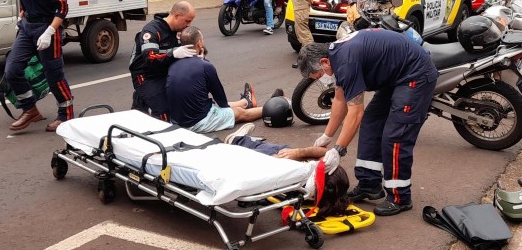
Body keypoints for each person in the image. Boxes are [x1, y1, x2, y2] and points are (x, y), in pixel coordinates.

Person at [297, 29, 438, 216]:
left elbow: (355, 113)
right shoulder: (337, 56)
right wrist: (326, 136)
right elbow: (340, 99)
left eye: (317, 76)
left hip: (415, 74)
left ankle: (400, 197)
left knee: (396, 135)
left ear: (324, 62)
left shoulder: (345, 61)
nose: (321, 81)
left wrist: (338, 150)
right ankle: (369, 184)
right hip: (395, 76)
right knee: (371, 123)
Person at [6, 0, 74, 132]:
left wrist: (50, 31)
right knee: (12, 70)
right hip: (27, 28)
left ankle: (66, 114)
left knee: (54, 75)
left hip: (46, 30)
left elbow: (62, 7)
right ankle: (30, 109)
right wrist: (21, 16)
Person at [224, 122, 352, 218]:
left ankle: (236, 140)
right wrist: (298, 153)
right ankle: (239, 141)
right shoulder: (329, 183)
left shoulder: (305, 189)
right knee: (283, 150)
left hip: (272, 168)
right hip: (285, 163)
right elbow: (324, 152)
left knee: (271, 152)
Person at [166, 26, 263, 133]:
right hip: (197, 122)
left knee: (212, 105)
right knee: (239, 113)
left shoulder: (172, 64)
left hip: (177, 121)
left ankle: (246, 102)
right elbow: (221, 101)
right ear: (199, 43)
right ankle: (270, 107)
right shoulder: (205, 66)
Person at [129, 1, 197, 121]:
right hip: (145, 75)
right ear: (176, 16)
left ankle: (141, 101)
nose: (189, 25)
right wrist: (173, 54)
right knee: (163, 115)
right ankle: (142, 101)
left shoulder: (179, 31)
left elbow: (192, 47)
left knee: (186, 101)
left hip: (165, 70)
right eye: (187, 21)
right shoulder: (151, 31)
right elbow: (150, 59)